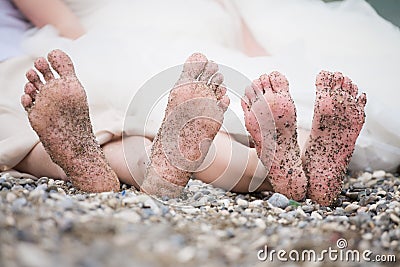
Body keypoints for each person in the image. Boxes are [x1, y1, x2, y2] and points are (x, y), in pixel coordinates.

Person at [0, 0, 398, 206]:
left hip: (129, 44)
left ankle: (97, 169)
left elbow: (70, 31)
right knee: (272, 115)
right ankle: (304, 164)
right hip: (157, 38)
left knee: (116, 121)